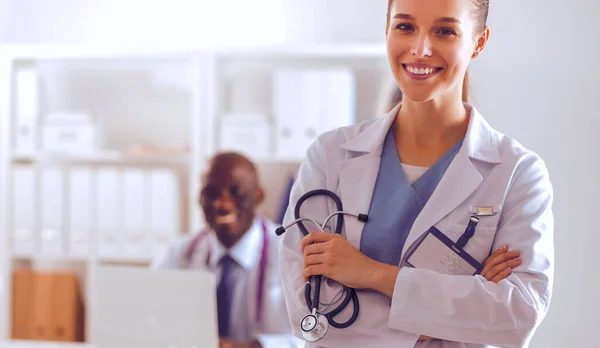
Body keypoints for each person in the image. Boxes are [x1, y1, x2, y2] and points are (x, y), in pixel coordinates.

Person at [278, 0, 553, 347]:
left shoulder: (518, 173)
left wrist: (370, 274)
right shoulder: (330, 155)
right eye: (405, 27)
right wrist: (458, 312)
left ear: (479, 42)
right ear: (387, 30)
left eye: (445, 31)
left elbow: (517, 316)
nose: (420, 49)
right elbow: (306, 310)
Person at [154, 152, 302, 348]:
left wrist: (254, 347)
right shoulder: (179, 253)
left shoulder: (290, 253)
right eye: (211, 193)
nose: (222, 204)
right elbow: (150, 319)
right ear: (199, 198)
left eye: (236, 192)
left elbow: (314, 338)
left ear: (258, 196)